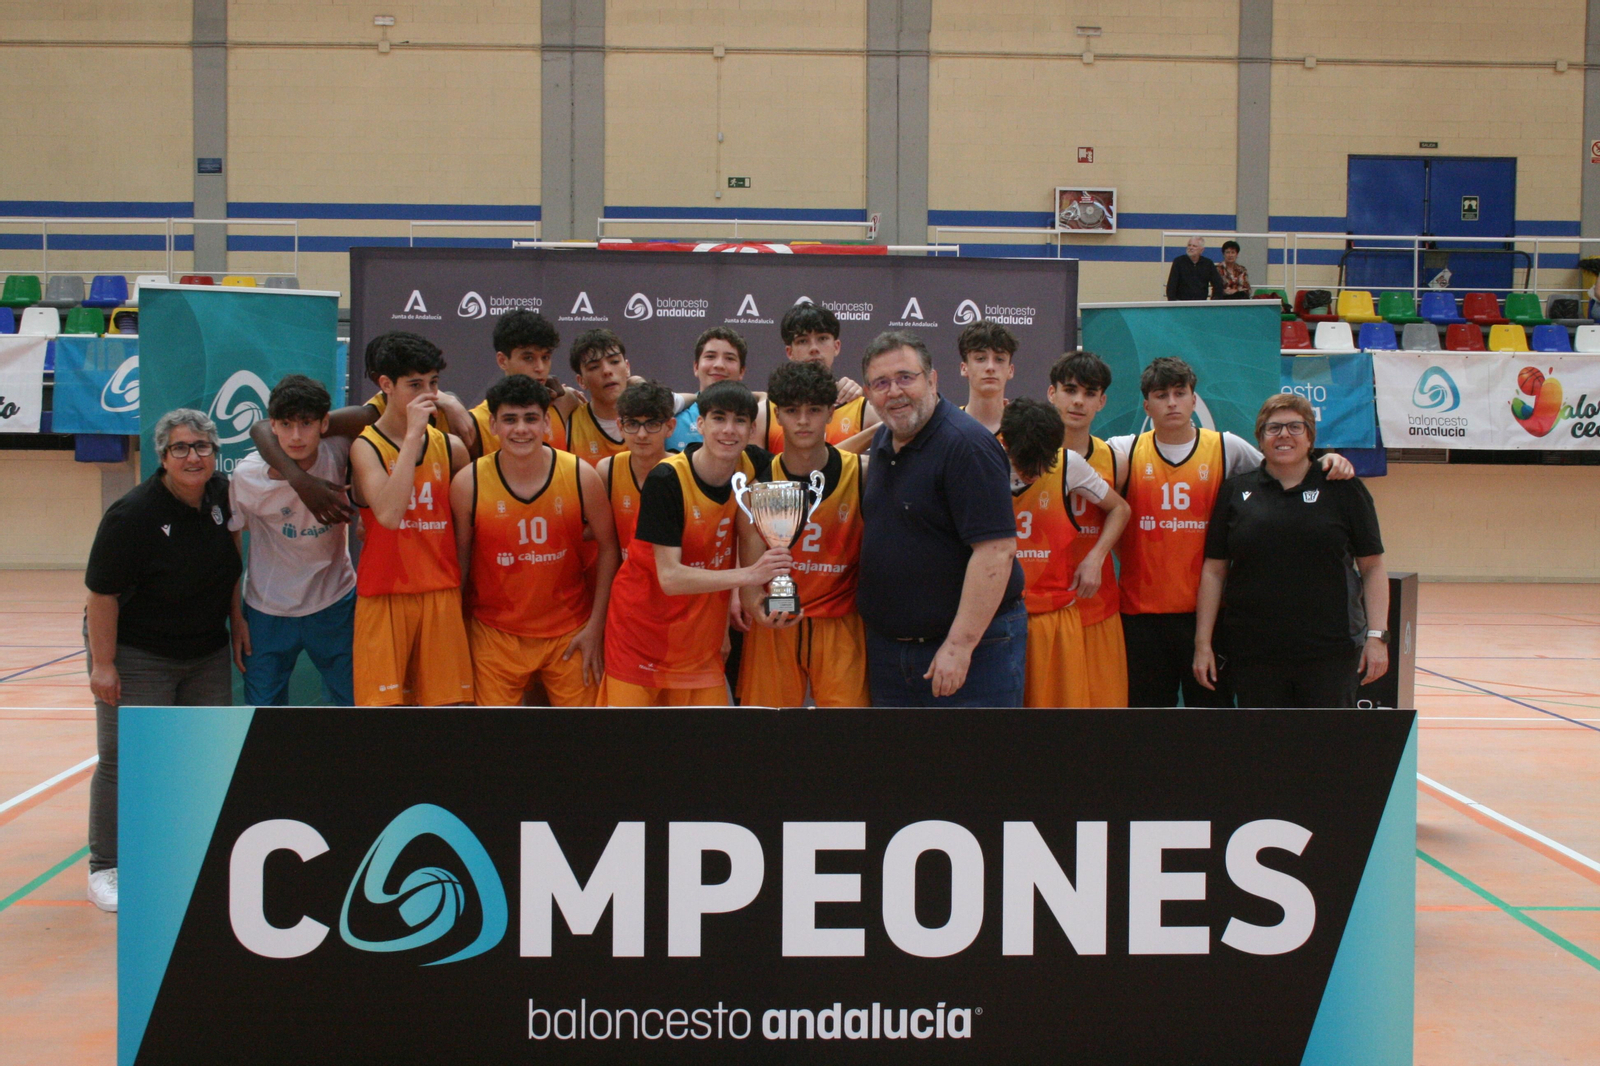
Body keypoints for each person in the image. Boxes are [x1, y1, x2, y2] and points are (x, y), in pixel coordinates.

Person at [1109, 356, 1354, 708]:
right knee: (1146, 719)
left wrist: (1326, 462)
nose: (1172, 402)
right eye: (1161, 395)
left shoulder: (1227, 447)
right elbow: (1077, 467)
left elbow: (1284, 470)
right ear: (1147, 405)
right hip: (1142, 616)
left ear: (1195, 400)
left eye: (1180, 393)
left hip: (1211, 614)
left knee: (1214, 718)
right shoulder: (1124, 450)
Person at [83, 409, 245, 911]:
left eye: (201, 447)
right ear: (162, 456)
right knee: (124, 759)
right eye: (181, 448)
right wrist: (104, 664)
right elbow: (101, 594)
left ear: (214, 452)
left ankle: (191, 854)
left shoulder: (222, 495)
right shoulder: (133, 514)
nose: (192, 457)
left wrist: (237, 622)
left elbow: (232, 565)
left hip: (204, 652)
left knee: (202, 754)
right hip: (137, 654)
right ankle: (105, 867)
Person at [856, 331, 1026, 707]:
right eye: (881, 383)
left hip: (970, 654)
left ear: (932, 380)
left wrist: (960, 646)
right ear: (868, 393)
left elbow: (996, 552)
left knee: (969, 766)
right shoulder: (884, 441)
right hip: (891, 656)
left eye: (905, 377)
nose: (894, 391)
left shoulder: (967, 445)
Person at [600, 381, 790, 706]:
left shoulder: (753, 468)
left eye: (740, 421)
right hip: (639, 640)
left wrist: (763, 608)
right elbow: (670, 579)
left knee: (705, 753)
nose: (729, 430)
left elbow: (749, 553)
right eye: (718, 418)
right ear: (700, 424)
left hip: (700, 648)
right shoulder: (666, 480)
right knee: (627, 751)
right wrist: (750, 575)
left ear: (752, 429)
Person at [1194, 394, 1389, 708]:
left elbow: (1373, 567)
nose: (1284, 434)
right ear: (1260, 439)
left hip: (1330, 654)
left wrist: (1377, 636)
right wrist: (1203, 643)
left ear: (1310, 437)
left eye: (1295, 427)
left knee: (1323, 751)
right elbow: (1214, 571)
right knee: (1266, 751)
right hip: (1254, 654)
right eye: (1274, 428)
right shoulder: (1235, 491)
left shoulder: (1344, 488)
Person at [451, 374, 619, 707]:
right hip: (494, 633)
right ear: (494, 425)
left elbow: (610, 548)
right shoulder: (468, 484)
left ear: (545, 422)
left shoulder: (580, 475)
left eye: (531, 418)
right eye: (510, 420)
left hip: (571, 631)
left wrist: (596, 626)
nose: (521, 429)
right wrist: (456, 632)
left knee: (587, 740)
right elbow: (461, 564)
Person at [347, 332, 474, 706]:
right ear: (386, 385)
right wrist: (414, 433)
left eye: (433, 384)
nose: (427, 395)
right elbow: (387, 514)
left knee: (448, 713)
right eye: (414, 385)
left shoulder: (450, 448)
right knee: (385, 717)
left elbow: (467, 527)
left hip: (441, 592)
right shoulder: (365, 446)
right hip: (384, 595)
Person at [736, 361, 871, 708]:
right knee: (767, 735)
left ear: (830, 413)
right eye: (793, 411)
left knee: (847, 736)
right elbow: (750, 569)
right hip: (775, 624)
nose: (803, 420)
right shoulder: (757, 483)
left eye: (814, 410)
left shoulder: (863, 474)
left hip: (840, 621)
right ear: (778, 415)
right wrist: (755, 605)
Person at [228, 375, 355, 706]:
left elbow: (372, 416)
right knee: (261, 715)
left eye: (306, 423)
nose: (296, 435)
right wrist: (236, 616)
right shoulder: (246, 476)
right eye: (285, 424)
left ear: (324, 423)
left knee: (354, 705)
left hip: (335, 600)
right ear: (272, 425)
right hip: (267, 609)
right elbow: (231, 545)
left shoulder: (340, 451)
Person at [1000, 397, 1130, 709]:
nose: (1034, 473)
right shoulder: (980, 463)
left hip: (1054, 619)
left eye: (1043, 464)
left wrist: (1096, 557)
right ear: (1004, 443)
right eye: (1026, 464)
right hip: (998, 617)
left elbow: (1120, 509)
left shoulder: (1069, 464)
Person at [1047, 351, 1130, 707]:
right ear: (1052, 394)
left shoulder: (1115, 458)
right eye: (1069, 390)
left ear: (1102, 401)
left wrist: (1097, 556)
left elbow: (1119, 511)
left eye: (1090, 393)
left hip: (1097, 609)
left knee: (1102, 721)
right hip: (1044, 612)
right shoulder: (1023, 455)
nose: (1078, 401)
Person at [460, 309, 579, 457]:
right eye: (528, 358)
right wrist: (447, 400)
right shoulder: (475, 423)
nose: (540, 368)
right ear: (502, 361)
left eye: (545, 357)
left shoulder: (564, 403)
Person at [766, 302, 877, 452]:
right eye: (803, 341)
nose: (814, 348)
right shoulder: (767, 411)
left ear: (836, 346)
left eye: (822, 338)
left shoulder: (863, 410)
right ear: (789, 352)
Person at [598, 380, 678, 557]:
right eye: (633, 424)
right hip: (627, 581)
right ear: (620, 427)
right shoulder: (607, 470)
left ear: (670, 427)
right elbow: (602, 538)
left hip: (671, 580)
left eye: (652, 424)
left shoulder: (685, 471)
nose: (642, 434)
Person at [665, 327, 752, 453]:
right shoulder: (671, 417)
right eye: (710, 356)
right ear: (696, 367)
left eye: (729, 358)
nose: (719, 365)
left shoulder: (757, 418)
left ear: (742, 371)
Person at [564, 329, 633, 464]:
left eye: (614, 361)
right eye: (594, 367)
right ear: (581, 381)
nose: (607, 371)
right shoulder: (568, 424)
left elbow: (685, 398)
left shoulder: (653, 416)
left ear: (627, 367)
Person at [958, 320, 1017, 435]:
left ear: (1010, 370)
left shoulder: (1023, 429)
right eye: (980, 358)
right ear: (964, 368)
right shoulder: (948, 426)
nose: (990, 367)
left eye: (999, 359)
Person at [1166, 236, 1223, 301]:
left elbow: (1218, 284)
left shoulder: (1208, 264)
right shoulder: (1178, 262)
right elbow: (1171, 285)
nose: (1191, 248)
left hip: (1201, 304)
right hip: (1181, 304)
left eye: (1194, 246)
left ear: (1202, 250)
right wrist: (1174, 302)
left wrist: (1214, 301)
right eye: (1189, 245)